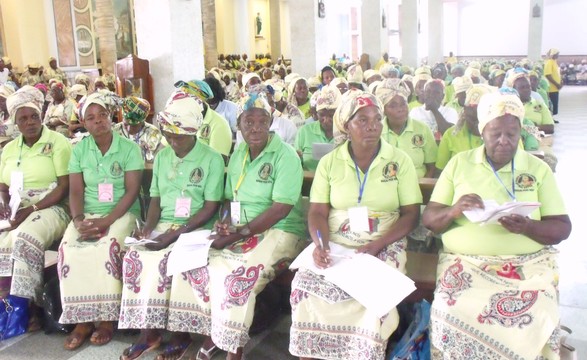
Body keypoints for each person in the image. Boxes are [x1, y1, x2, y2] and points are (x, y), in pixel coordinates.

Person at [422, 90, 571, 359]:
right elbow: (430, 220)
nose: (504, 141)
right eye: (496, 134)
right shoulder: (460, 164)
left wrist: (527, 227)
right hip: (466, 264)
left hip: (526, 265)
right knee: (449, 308)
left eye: (512, 134)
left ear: (519, 133)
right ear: (482, 131)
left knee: (538, 307)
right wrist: (455, 209)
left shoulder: (538, 169)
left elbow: (562, 228)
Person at [289, 91, 422, 360]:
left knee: (373, 298)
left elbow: (411, 215)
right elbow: (317, 212)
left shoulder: (399, 160)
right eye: (362, 120)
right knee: (304, 286)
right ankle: (312, 355)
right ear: (346, 126)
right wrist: (321, 244)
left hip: (384, 240)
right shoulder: (330, 163)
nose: (372, 126)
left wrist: (378, 244)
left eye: (376, 119)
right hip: (338, 241)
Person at [192, 91, 306, 360]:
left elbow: (281, 209)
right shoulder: (239, 152)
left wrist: (238, 234)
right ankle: (216, 332)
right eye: (248, 122)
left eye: (261, 121)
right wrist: (223, 225)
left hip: (282, 230)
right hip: (242, 227)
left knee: (240, 278)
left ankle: (234, 348)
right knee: (204, 263)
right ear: (238, 125)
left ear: (270, 123)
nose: (255, 128)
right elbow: (230, 198)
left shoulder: (285, 155)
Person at [118, 94, 225, 360]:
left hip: (197, 227)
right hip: (165, 224)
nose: (172, 141)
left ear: (194, 133)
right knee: (136, 257)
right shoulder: (163, 156)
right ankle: (148, 332)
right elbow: (155, 199)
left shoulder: (212, 159)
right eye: (168, 135)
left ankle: (180, 335)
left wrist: (173, 235)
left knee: (175, 260)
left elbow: (210, 207)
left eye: (179, 136)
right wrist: (148, 229)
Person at [58, 91, 144, 350]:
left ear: (111, 117)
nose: (99, 121)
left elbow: (132, 191)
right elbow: (75, 191)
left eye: (103, 115)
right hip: (88, 214)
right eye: (91, 118)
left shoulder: (129, 148)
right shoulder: (80, 149)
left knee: (106, 248)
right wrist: (78, 220)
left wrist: (107, 220)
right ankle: (82, 320)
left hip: (122, 213)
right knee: (68, 249)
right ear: (84, 123)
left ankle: (107, 319)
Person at [0, 86, 72, 331]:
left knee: (25, 237)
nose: (30, 122)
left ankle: (30, 307)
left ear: (41, 116)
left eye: (34, 116)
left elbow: (64, 187)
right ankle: (7, 304)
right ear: (15, 123)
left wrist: (33, 209)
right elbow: (3, 185)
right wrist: (3, 205)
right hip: (17, 208)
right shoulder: (9, 149)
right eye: (23, 118)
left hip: (52, 207)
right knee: (4, 239)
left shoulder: (57, 142)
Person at [376, 78, 437, 178]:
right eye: (393, 105)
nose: (400, 109)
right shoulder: (377, 131)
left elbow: (432, 166)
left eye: (403, 103)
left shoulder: (422, 129)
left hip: (419, 186)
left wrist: (421, 188)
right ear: (383, 110)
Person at [435, 84, 492, 172]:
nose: (476, 125)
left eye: (480, 120)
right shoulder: (451, 134)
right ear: (464, 112)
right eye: (472, 119)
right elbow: (440, 170)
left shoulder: (504, 135)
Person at [173, 80, 233, 159]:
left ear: (201, 101)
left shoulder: (219, 124)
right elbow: (164, 150)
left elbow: (218, 161)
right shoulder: (177, 120)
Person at [294, 85, 340, 171]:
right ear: (316, 113)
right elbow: (296, 165)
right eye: (321, 115)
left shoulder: (346, 133)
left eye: (331, 115)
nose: (326, 120)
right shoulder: (304, 132)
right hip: (309, 181)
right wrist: (296, 157)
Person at [544, 48, 562, 123]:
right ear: (553, 54)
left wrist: (560, 82)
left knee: (554, 104)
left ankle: (551, 118)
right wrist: (557, 84)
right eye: (557, 54)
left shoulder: (554, 62)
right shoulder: (549, 62)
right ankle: (549, 119)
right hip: (551, 88)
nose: (558, 55)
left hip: (555, 88)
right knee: (551, 104)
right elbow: (548, 75)